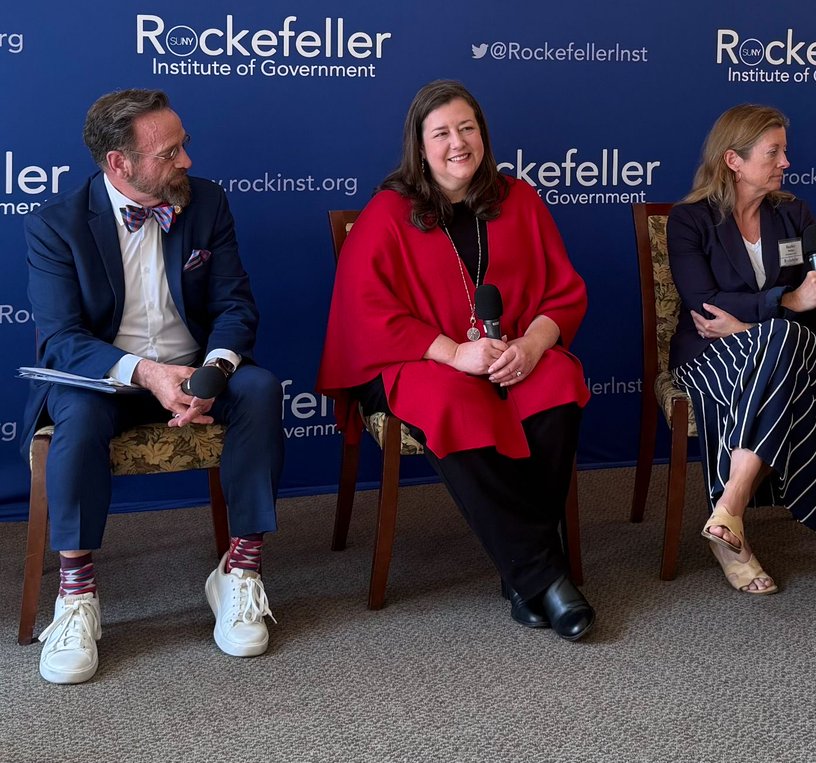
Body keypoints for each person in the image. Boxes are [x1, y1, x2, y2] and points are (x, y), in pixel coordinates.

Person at [22, 89, 285, 684]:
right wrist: (145, 373)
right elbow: (60, 339)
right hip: (103, 382)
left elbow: (234, 304)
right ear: (120, 163)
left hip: (198, 370)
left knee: (262, 389)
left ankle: (240, 570)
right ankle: (76, 594)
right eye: (170, 153)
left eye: (184, 145)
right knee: (79, 417)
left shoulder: (206, 203)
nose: (187, 161)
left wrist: (212, 373)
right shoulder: (57, 227)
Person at [317, 80, 595, 641]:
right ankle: (544, 574)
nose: (457, 143)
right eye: (441, 132)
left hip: (509, 351)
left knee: (559, 379)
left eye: (467, 128)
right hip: (412, 360)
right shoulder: (387, 213)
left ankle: (522, 574)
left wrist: (532, 346)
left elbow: (562, 295)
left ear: (484, 135)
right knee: (453, 400)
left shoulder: (520, 200)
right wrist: (454, 353)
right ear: (420, 146)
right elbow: (365, 313)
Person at [668, 103, 816, 595]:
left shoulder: (795, 215)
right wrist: (786, 301)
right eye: (773, 153)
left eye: (783, 152)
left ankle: (730, 507)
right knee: (782, 332)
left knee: (784, 337)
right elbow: (703, 307)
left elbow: (809, 312)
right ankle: (731, 520)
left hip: (794, 353)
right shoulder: (689, 221)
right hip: (710, 358)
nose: (785, 163)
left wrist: (752, 319)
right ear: (734, 160)